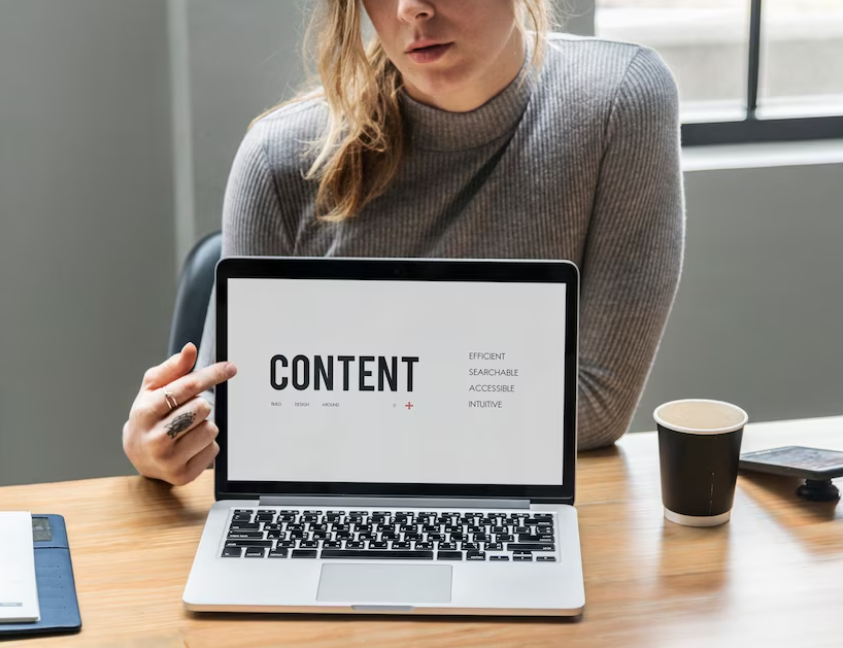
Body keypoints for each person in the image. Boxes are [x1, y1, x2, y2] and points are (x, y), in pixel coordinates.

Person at [123, 0, 685, 486]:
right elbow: (237, 420)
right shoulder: (279, 159)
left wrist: (334, 401)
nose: (411, 8)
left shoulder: (619, 105)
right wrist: (160, 440)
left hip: (513, 508)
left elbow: (594, 404)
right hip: (333, 511)